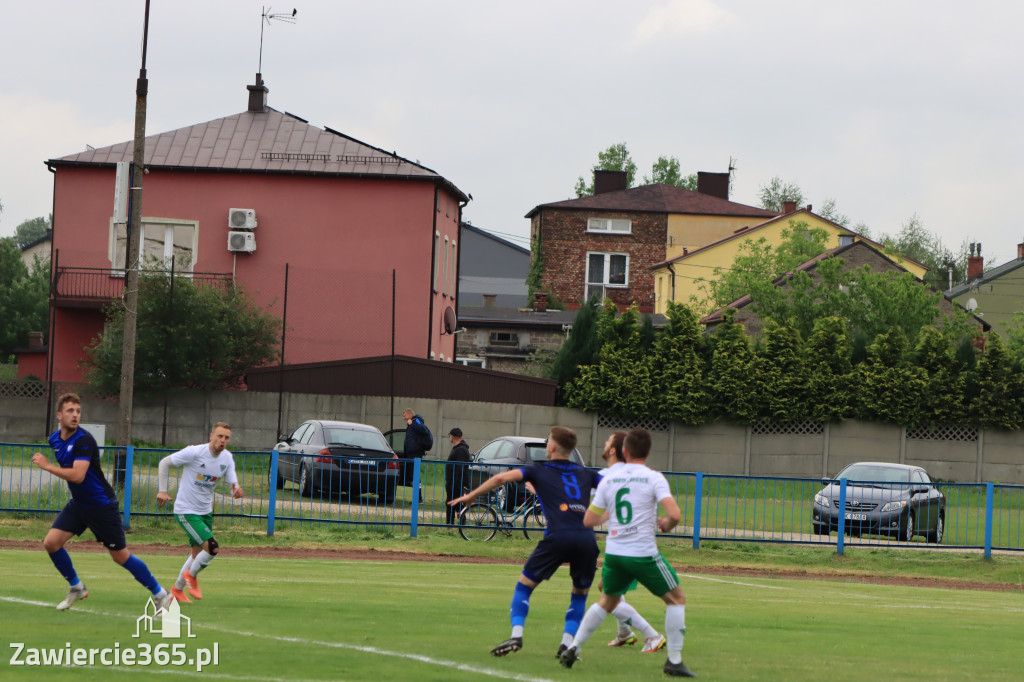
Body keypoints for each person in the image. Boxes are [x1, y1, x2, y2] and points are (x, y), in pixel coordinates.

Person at [449, 426, 601, 658]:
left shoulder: (539, 469)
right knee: (579, 593)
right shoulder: (587, 474)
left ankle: (517, 634)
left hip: (558, 536)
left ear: (551, 447)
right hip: (586, 538)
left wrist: (471, 496)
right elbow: (614, 488)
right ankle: (566, 644)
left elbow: (500, 477)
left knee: (524, 586)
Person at [559, 427, 696, 678]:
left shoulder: (609, 479)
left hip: (615, 554)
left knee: (607, 601)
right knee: (676, 599)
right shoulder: (654, 477)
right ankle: (673, 661)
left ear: (624, 450)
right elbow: (674, 514)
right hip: (642, 553)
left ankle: (573, 648)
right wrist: (666, 524)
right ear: (648, 452)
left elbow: (589, 520)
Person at [32, 393, 173, 612]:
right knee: (51, 542)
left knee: (120, 556)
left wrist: (47, 466)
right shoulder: (55, 439)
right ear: (59, 415)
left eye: (78, 411)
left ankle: (161, 594)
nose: (75, 415)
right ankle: (77, 587)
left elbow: (78, 476)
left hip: (101, 505)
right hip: (80, 504)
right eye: (70, 411)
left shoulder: (84, 440)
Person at [156, 422, 243, 604]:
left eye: (226, 438)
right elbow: (165, 463)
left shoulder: (227, 458)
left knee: (197, 555)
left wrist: (236, 490)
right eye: (220, 436)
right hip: (186, 511)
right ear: (211, 436)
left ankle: (177, 590)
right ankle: (191, 576)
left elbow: (233, 483)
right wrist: (162, 491)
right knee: (212, 548)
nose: (223, 440)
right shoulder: (195, 452)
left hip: (205, 511)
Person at [598, 431, 666, 653]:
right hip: (628, 547)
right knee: (611, 590)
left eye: (608, 440)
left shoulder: (607, 476)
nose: (605, 443)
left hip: (626, 549)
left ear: (613, 450)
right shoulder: (631, 474)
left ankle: (652, 634)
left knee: (606, 591)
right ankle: (625, 633)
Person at [401, 408, 431, 503]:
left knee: (415, 476)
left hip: (415, 453)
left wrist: (412, 424)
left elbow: (423, 429)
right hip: (411, 453)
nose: (404, 418)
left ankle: (418, 498)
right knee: (413, 476)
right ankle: (417, 498)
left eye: (405, 415)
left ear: (410, 414)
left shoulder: (416, 420)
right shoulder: (412, 423)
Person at [444, 427, 471, 524]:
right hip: (452, 482)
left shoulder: (461, 450)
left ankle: (453, 523)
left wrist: (457, 483)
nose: (450, 437)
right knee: (453, 503)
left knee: (454, 503)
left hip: (456, 483)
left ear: (453, 436)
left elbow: (461, 468)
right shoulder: (457, 448)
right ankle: (452, 523)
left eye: (450, 435)